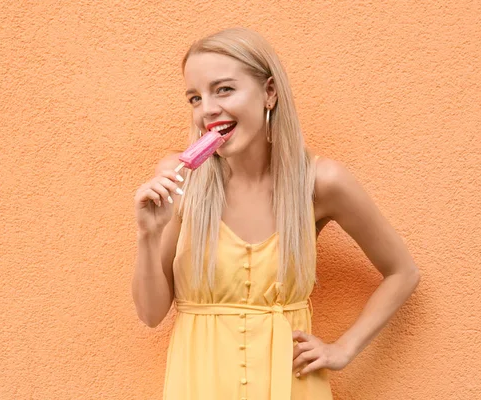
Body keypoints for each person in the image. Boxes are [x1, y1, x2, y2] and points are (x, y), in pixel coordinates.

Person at [132, 27, 420, 400]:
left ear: (269, 92)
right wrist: (148, 234)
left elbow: (403, 272)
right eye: (195, 97)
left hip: (292, 386)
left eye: (224, 89)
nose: (207, 110)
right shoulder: (179, 178)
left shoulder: (320, 182)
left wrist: (343, 349)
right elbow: (151, 314)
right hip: (198, 385)